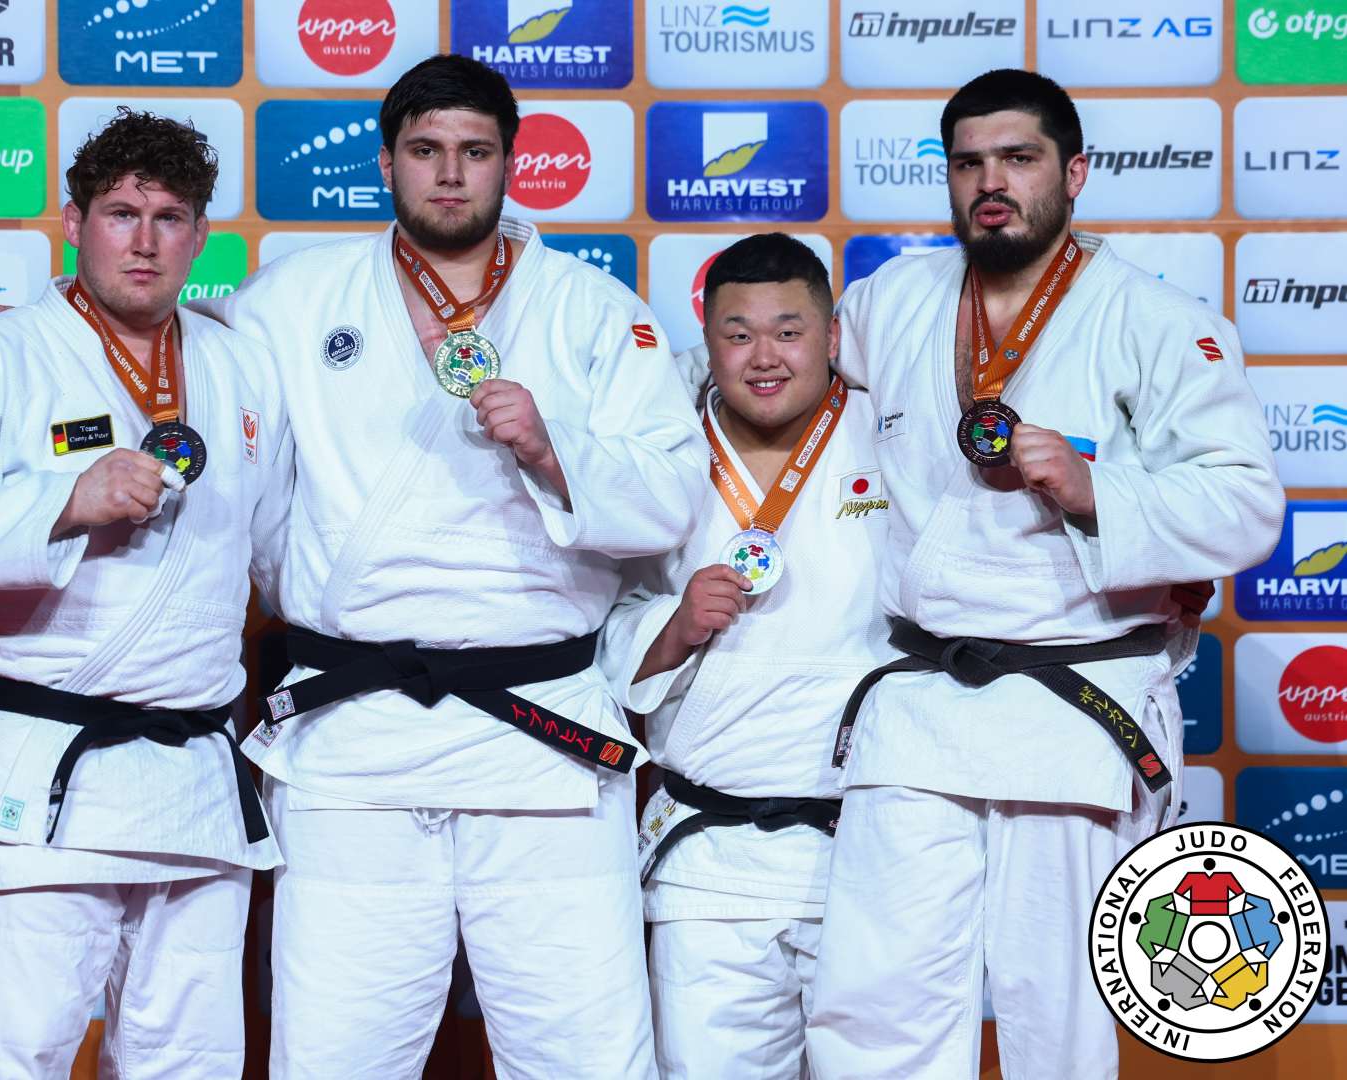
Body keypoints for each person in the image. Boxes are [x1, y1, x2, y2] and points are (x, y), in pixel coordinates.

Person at [192, 55, 704, 1078]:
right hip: (355, 740)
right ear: (387, 162)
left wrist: (555, 449)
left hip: (544, 747)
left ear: (511, 163)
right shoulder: (293, 300)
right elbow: (206, 412)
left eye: (475, 151)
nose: (451, 173)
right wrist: (50, 332)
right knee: (333, 1056)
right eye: (425, 151)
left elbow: (670, 499)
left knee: (586, 1057)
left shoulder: (595, 311)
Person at [802, 69, 1285, 1079]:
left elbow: (1246, 503)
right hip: (921, 698)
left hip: (1073, 706)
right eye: (969, 163)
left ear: (1074, 173)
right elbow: (770, 385)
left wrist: (1099, 487)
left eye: (1018, 159)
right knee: (876, 999)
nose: (991, 183)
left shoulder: (1156, 320)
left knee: (1055, 1013)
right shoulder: (888, 302)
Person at [0, 109, 292, 1078]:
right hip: (43, 768)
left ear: (200, 236)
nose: (144, 242)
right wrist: (60, 502)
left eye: (169, 218)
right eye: (121, 214)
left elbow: (276, 552)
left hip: (194, 775)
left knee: (189, 1061)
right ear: (73, 223)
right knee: (14, 1055)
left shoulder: (238, 366)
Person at [597, 233, 893, 1079]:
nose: (765, 357)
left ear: (831, 336)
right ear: (707, 339)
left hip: (871, 851)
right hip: (710, 865)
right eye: (738, 334)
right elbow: (601, 608)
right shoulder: (661, 449)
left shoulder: (892, 433)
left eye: (788, 332)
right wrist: (676, 625)